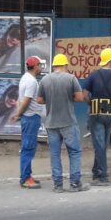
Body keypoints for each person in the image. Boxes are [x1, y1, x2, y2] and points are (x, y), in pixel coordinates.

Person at [37, 53, 88, 192]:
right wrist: (67, 97)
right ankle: (75, 184)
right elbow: (79, 98)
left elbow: (39, 100)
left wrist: (52, 100)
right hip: (68, 122)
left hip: (51, 124)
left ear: (54, 66)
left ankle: (58, 185)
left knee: (55, 154)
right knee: (74, 152)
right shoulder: (71, 78)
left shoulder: (45, 80)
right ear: (65, 65)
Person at [84, 47, 111, 186]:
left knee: (99, 144)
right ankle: (96, 172)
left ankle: (103, 176)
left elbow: (84, 93)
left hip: (96, 113)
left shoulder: (94, 75)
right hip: (110, 113)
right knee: (103, 144)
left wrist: (90, 103)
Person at [13, 56, 46, 189]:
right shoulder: (31, 81)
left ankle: (27, 175)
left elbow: (20, 99)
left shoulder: (25, 78)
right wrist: (18, 114)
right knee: (28, 148)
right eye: (40, 65)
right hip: (31, 117)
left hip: (29, 117)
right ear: (35, 66)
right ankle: (25, 178)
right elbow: (26, 100)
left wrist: (19, 114)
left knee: (28, 147)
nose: (41, 67)